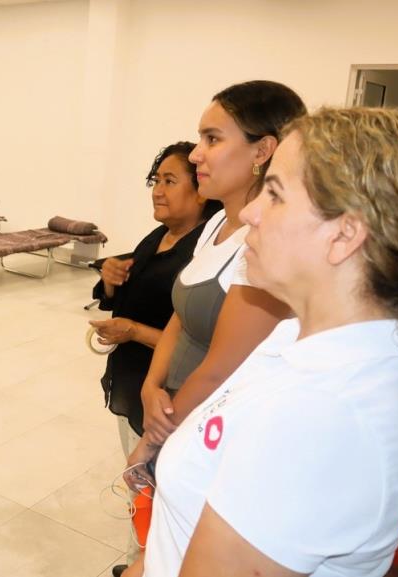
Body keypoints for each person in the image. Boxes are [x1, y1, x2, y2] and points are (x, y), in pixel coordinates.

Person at [129, 107, 398, 576]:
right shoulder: (297, 334)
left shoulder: (326, 415)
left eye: (273, 194)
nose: (250, 212)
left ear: (345, 235)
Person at [136, 81, 306, 450]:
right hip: (172, 407)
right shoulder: (214, 224)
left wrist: (152, 440)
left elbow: (220, 369)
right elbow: (179, 317)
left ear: (262, 150)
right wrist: (151, 386)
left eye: (212, 140)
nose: (196, 154)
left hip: (208, 423)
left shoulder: (263, 245)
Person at [89, 142, 220, 569]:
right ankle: (137, 563)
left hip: (167, 396)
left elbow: (201, 336)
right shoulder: (160, 238)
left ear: (200, 191)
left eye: (169, 181)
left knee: (163, 499)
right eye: (155, 181)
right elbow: (127, 292)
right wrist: (111, 278)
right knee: (141, 490)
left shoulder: (204, 250)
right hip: (134, 382)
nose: (157, 191)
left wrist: (133, 331)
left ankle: (146, 564)